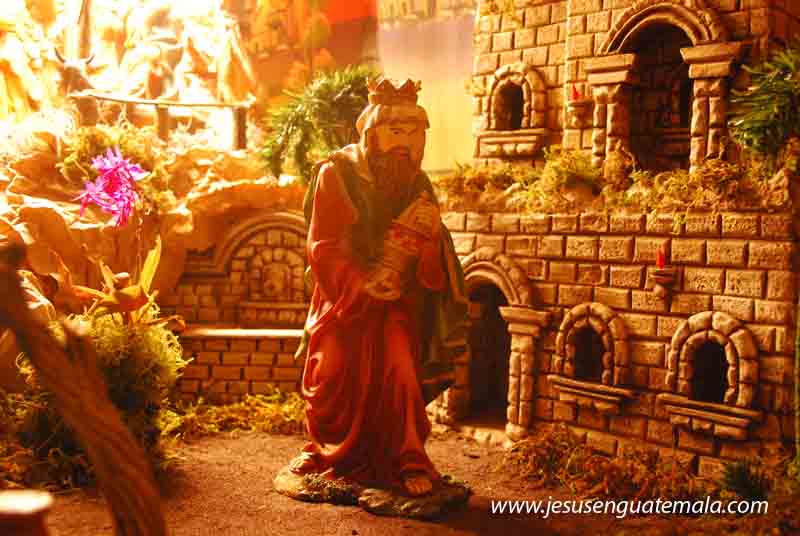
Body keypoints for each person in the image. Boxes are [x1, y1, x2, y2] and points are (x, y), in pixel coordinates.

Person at [287, 76, 468, 497]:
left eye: (414, 133)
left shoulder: (417, 183)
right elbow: (323, 246)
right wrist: (360, 285)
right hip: (344, 300)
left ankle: (407, 459)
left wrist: (431, 237)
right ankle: (325, 452)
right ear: (371, 131)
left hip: (394, 301)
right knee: (331, 373)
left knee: (401, 371)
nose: (404, 143)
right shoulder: (336, 173)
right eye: (395, 131)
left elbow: (434, 253)